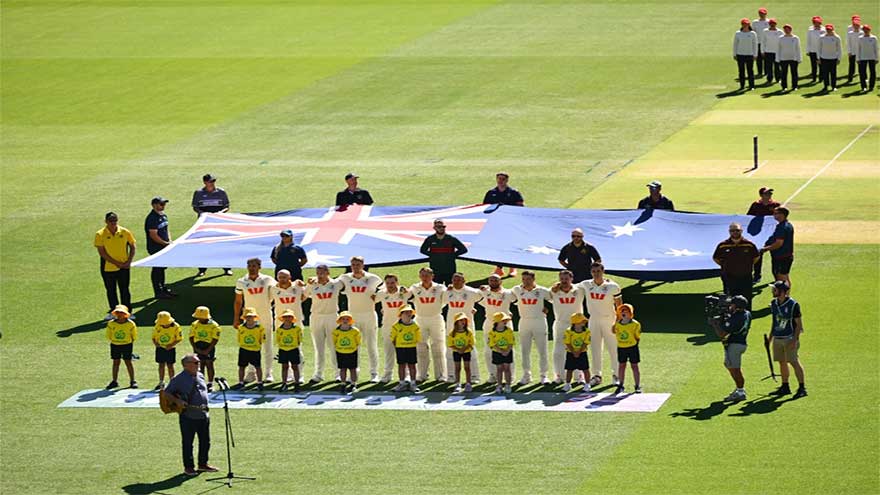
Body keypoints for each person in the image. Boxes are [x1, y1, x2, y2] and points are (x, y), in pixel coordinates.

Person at [163, 353, 218, 476]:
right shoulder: (178, 379)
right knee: (188, 442)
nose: (199, 364)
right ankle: (188, 467)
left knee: (205, 441)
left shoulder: (200, 375)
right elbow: (166, 393)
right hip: (188, 415)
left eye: (198, 362)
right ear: (186, 365)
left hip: (203, 414)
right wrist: (177, 401)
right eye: (196, 362)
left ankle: (203, 464)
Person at [338, 256, 383, 382]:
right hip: (353, 316)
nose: (355, 267)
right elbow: (331, 283)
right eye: (353, 265)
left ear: (363, 264)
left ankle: (374, 373)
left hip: (369, 315)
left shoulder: (373, 278)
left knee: (371, 345)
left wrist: (380, 298)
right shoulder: (345, 278)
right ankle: (354, 372)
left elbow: (385, 289)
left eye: (358, 264)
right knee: (353, 346)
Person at [233, 258, 276, 382]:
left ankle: (268, 373)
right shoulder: (241, 281)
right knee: (250, 344)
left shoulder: (267, 280)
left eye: (254, 266)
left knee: (267, 344)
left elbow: (278, 290)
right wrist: (236, 318)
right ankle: (251, 373)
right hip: (249, 316)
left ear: (259, 267)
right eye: (249, 265)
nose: (251, 268)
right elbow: (238, 301)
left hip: (265, 315)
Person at [580, 262, 623, 387]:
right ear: (591, 272)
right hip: (593, 319)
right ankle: (596, 375)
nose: (596, 274)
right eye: (594, 271)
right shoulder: (586, 284)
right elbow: (570, 287)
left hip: (609, 319)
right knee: (595, 348)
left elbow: (619, 305)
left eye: (598, 271)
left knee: (613, 348)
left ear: (603, 271)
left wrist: (617, 322)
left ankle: (616, 375)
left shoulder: (613, 286)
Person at [305, 265, 345, 382]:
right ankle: (318, 374)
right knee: (319, 347)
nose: (320, 275)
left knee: (334, 346)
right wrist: (308, 283)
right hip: (317, 316)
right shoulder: (312, 284)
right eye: (318, 273)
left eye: (322, 272)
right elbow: (304, 295)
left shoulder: (336, 283)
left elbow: (348, 279)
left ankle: (338, 374)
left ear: (328, 272)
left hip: (332, 316)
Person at [511, 270, 551, 385]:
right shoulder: (517, 289)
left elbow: (554, 298)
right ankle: (526, 375)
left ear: (533, 279)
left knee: (542, 350)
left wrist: (547, 308)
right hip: (524, 322)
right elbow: (504, 295)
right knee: (525, 351)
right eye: (523, 279)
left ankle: (544, 375)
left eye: (528, 279)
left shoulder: (541, 290)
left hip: (539, 321)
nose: (525, 282)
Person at [407, 267, 448, 382]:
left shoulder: (440, 288)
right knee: (421, 347)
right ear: (419, 276)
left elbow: (446, 300)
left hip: (436, 319)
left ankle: (441, 375)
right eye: (423, 276)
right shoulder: (415, 288)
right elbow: (405, 295)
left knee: (438, 347)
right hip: (420, 319)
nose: (425, 278)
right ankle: (422, 375)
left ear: (432, 276)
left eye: (427, 276)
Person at [708, 295, 751, 402]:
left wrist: (715, 324)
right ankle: (739, 389)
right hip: (740, 343)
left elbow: (722, 334)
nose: (729, 305)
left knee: (735, 369)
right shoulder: (746, 314)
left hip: (735, 345)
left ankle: (740, 392)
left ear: (736, 306)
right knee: (729, 365)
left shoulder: (737, 318)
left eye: (732, 304)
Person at [768, 281, 807, 398]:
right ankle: (785, 386)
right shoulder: (773, 303)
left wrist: (794, 340)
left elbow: (799, 325)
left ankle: (802, 388)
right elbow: (774, 322)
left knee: (794, 362)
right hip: (778, 338)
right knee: (782, 362)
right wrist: (770, 339)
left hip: (789, 338)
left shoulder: (793, 305)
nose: (773, 291)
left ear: (782, 292)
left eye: (775, 289)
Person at [442, 272, 483, 383]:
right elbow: (442, 302)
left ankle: (475, 376)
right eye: (454, 280)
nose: (456, 282)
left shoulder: (471, 292)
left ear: (464, 281)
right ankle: (451, 376)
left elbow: (483, 294)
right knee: (450, 350)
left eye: (459, 280)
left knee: (471, 350)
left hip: (468, 327)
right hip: (451, 326)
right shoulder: (447, 292)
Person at [95, 212, 136, 320]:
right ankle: (114, 312)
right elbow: (102, 253)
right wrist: (116, 263)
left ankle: (127, 312)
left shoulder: (125, 232)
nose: (113, 223)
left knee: (125, 289)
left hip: (124, 267)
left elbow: (132, 246)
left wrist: (129, 261)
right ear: (106, 221)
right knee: (111, 290)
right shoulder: (100, 234)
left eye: (115, 220)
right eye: (111, 221)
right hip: (108, 268)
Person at [483, 171, 524, 277]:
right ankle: (499, 268)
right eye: (499, 179)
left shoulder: (514, 192)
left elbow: (521, 207)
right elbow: (485, 207)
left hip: (510, 222)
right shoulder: (491, 192)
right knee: (498, 244)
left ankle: (512, 267)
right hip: (496, 222)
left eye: (503, 179)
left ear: (507, 180)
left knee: (510, 244)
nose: (500, 181)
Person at [192, 173, 232, 277]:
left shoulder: (221, 192)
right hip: (204, 222)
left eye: (214, 181)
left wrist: (220, 213)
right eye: (210, 181)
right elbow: (195, 207)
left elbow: (226, 206)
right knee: (203, 245)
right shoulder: (198, 193)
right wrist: (202, 213)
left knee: (222, 245)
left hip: (218, 221)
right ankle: (202, 269)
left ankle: (227, 268)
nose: (213, 183)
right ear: (205, 182)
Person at [269, 269, 306, 382]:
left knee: (297, 348)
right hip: (280, 322)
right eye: (280, 277)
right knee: (284, 348)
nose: (282, 280)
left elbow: (304, 296)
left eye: (284, 277)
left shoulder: (298, 286)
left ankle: (299, 375)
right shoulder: (273, 289)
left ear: (290, 277)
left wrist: (304, 284)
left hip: (296, 321)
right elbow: (268, 300)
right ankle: (288, 376)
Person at [479, 274, 517, 383]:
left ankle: (510, 376)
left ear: (501, 282)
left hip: (505, 323)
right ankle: (493, 375)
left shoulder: (509, 293)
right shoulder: (484, 292)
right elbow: (476, 300)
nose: (493, 282)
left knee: (509, 349)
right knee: (488, 350)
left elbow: (519, 301)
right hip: (490, 322)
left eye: (496, 280)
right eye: (491, 280)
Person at [549, 270, 586, 383]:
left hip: (576, 325)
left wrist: (607, 280)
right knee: (558, 351)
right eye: (562, 279)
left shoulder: (579, 290)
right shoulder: (553, 291)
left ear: (571, 279)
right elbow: (541, 297)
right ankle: (559, 375)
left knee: (578, 349)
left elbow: (593, 283)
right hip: (560, 324)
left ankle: (578, 376)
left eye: (566, 279)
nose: (564, 281)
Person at [712, 222, 760, 308]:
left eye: (737, 230)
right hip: (729, 276)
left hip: (746, 276)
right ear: (729, 232)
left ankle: (746, 316)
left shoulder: (749, 244)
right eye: (732, 230)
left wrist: (747, 265)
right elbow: (716, 258)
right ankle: (732, 316)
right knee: (730, 298)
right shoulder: (723, 245)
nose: (735, 232)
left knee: (747, 297)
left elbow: (756, 257)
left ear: (741, 231)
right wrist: (725, 266)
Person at [374, 274, 410, 382]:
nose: (390, 285)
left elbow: (414, 295)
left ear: (397, 282)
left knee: (405, 351)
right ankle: (388, 374)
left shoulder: (404, 292)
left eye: (392, 283)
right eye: (388, 283)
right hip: (388, 326)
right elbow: (371, 299)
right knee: (389, 351)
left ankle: (407, 375)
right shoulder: (381, 293)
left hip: (403, 326)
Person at [419, 219, 468, 286]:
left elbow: (463, 249)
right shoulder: (430, 239)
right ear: (434, 228)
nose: (442, 228)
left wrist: (452, 255)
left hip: (449, 269)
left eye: (443, 227)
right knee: (437, 289)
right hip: (436, 269)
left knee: (450, 289)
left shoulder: (451, 238)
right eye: (439, 227)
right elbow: (422, 250)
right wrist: (433, 255)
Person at [747, 187, 781, 283]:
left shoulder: (776, 205)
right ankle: (757, 276)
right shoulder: (756, 205)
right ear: (761, 195)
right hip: (759, 234)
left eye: (770, 193)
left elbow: (780, 217)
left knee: (775, 255)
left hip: (773, 234)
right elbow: (749, 217)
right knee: (758, 255)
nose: (769, 195)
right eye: (767, 193)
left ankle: (777, 276)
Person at [145, 196, 175, 299]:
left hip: (164, 246)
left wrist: (169, 241)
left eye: (164, 204)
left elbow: (166, 229)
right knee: (157, 269)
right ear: (154, 205)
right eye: (161, 204)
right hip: (156, 247)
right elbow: (153, 235)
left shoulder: (163, 215)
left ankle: (163, 288)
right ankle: (158, 291)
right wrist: (165, 243)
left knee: (162, 268)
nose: (163, 206)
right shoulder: (152, 218)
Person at [761, 207, 795, 288]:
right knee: (784, 277)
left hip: (781, 257)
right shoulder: (787, 225)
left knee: (781, 279)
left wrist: (765, 249)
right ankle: (785, 296)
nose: (774, 215)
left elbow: (778, 243)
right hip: (785, 256)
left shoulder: (782, 227)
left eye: (776, 213)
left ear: (782, 215)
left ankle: (783, 297)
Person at [390, 305, 421, 392]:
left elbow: (418, 338)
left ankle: (413, 384)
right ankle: (402, 383)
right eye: (406, 312)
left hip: (411, 348)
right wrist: (399, 346)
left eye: (410, 312)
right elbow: (393, 339)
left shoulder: (415, 326)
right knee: (401, 365)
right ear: (401, 314)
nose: (408, 314)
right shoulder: (396, 326)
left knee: (412, 366)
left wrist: (410, 343)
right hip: (400, 348)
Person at [189, 306, 221, 391]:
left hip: (209, 346)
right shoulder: (194, 324)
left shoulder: (214, 325)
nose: (198, 318)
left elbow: (215, 339)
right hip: (198, 346)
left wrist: (208, 350)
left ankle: (210, 383)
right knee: (199, 365)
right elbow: (191, 337)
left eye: (200, 317)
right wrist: (195, 348)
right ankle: (200, 382)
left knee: (209, 364)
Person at [106, 304, 137, 389]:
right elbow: (108, 335)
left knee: (128, 362)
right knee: (116, 362)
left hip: (127, 345)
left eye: (122, 312)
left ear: (126, 314)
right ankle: (114, 381)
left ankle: (132, 381)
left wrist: (127, 342)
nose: (120, 314)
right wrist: (115, 341)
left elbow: (134, 336)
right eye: (118, 312)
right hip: (115, 345)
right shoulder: (111, 324)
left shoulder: (130, 324)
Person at [613, 304, 642, 394]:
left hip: (632, 347)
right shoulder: (617, 324)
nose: (623, 313)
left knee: (634, 366)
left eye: (626, 311)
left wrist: (633, 343)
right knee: (622, 365)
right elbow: (614, 331)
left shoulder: (635, 324)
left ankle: (637, 385)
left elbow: (637, 336)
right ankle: (621, 385)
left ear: (631, 313)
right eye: (622, 311)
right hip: (621, 347)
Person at [234, 307, 265, 390]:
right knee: (242, 366)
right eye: (247, 316)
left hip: (255, 350)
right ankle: (241, 382)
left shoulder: (260, 328)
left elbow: (262, 339)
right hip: (244, 350)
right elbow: (239, 339)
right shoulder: (241, 327)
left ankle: (259, 382)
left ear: (254, 317)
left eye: (251, 316)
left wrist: (256, 346)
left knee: (258, 366)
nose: (249, 318)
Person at [333, 311, 362, 394]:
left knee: (353, 369)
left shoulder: (355, 331)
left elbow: (358, 341)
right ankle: (343, 384)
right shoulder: (336, 331)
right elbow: (334, 341)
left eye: (347, 319)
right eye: (343, 319)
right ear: (340, 320)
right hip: (340, 352)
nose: (345, 320)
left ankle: (353, 384)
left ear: (350, 320)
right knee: (342, 369)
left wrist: (352, 348)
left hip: (352, 352)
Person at [275, 309, 303, 392]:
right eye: (285, 317)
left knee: (295, 367)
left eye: (289, 317)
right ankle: (284, 383)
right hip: (283, 350)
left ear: (292, 318)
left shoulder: (297, 329)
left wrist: (293, 345)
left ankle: (297, 383)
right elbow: (278, 340)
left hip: (293, 350)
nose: (287, 318)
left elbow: (299, 339)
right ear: (283, 318)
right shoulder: (279, 330)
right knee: (284, 367)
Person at [152, 311, 182, 390]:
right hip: (160, 348)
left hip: (170, 349)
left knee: (170, 365)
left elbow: (179, 338)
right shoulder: (157, 326)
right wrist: (156, 344)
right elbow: (154, 337)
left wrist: (171, 345)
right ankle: (161, 382)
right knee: (161, 365)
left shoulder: (176, 326)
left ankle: (172, 382)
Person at [447, 313, 476, 393]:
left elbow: (471, 343)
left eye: (464, 320)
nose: (463, 322)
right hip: (456, 352)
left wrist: (464, 349)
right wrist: (458, 349)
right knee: (457, 368)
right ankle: (457, 384)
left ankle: (468, 383)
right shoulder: (452, 333)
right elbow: (450, 344)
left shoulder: (468, 332)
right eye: (460, 320)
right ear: (456, 322)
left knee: (467, 368)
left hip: (466, 352)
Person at [488, 312, 515, 394]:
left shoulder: (509, 331)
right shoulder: (492, 332)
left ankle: (508, 385)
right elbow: (492, 344)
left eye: (506, 320)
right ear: (497, 321)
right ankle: (499, 385)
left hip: (508, 352)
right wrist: (501, 351)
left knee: (507, 368)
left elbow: (511, 342)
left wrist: (507, 351)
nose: (505, 321)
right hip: (497, 353)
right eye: (503, 320)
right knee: (499, 369)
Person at [562, 313, 590, 393]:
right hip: (570, 353)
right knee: (569, 369)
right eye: (582, 321)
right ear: (575, 323)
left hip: (582, 353)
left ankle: (587, 384)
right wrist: (573, 351)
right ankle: (567, 384)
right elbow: (567, 342)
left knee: (586, 369)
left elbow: (586, 342)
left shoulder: (587, 331)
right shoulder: (568, 331)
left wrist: (579, 351)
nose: (584, 323)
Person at [733, 19, 758, 91]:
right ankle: (742, 85)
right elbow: (735, 44)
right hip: (740, 54)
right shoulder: (738, 33)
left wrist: (755, 54)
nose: (745, 26)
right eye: (744, 24)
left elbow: (755, 44)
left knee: (750, 71)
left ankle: (751, 86)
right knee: (741, 71)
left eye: (747, 24)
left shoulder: (753, 33)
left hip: (749, 54)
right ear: (742, 25)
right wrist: (734, 54)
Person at [777, 25, 802, 91]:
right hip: (783, 58)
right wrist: (778, 58)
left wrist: (799, 59)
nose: (786, 30)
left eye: (787, 29)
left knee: (794, 73)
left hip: (793, 58)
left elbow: (798, 49)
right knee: (783, 74)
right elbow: (778, 49)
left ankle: (795, 86)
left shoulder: (795, 38)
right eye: (785, 29)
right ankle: (784, 87)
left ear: (790, 30)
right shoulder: (780, 38)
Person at [818, 24, 842, 92]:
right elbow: (819, 48)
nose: (828, 31)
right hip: (824, 58)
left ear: (832, 29)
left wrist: (839, 58)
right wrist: (818, 58)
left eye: (830, 30)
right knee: (825, 73)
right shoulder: (821, 37)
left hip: (833, 58)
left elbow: (839, 49)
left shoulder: (837, 38)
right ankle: (825, 86)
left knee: (833, 73)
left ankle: (834, 86)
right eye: (827, 29)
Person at [856, 25, 878, 93]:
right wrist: (858, 58)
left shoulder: (874, 38)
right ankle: (864, 87)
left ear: (869, 30)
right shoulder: (860, 38)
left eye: (867, 30)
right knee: (862, 73)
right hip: (863, 58)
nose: (865, 32)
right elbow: (858, 49)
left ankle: (871, 86)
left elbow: (876, 49)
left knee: (873, 72)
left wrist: (877, 58)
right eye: (864, 30)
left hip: (872, 57)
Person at [762, 19, 783, 83]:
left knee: (777, 67)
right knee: (769, 67)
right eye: (771, 23)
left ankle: (778, 79)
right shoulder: (765, 31)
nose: (772, 25)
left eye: (773, 23)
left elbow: (782, 42)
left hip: (777, 52)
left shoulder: (780, 32)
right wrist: (762, 51)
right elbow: (763, 41)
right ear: (769, 24)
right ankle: (769, 79)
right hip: (768, 51)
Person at [806, 16, 826, 82]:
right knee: (813, 65)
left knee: (821, 65)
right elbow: (808, 40)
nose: (816, 24)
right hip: (813, 50)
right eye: (815, 23)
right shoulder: (810, 30)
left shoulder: (824, 30)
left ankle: (821, 78)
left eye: (817, 22)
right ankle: (814, 78)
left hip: (821, 50)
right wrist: (808, 50)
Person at [753, 8, 771, 77]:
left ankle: (766, 72)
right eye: (761, 13)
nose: (762, 15)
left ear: (766, 14)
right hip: (758, 42)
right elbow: (753, 32)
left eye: (763, 13)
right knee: (759, 58)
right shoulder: (755, 22)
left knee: (766, 59)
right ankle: (760, 72)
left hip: (766, 43)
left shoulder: (769, 22)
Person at [846, 16, 863, 85]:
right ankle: (850, 78)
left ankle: (863, 78)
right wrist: (849, 51)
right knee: (851, 65)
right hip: (852, 52)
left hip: (860, 52)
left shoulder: (862, 32)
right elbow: (848, 42)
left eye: (857, 25)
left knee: (861, 66)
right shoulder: (850, 33)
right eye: (855, 25)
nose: (856, 26)